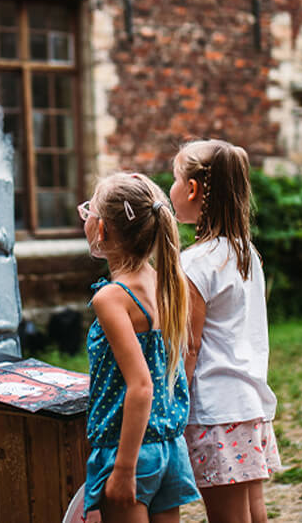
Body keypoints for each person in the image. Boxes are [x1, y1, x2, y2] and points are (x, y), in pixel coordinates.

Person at [169, 140, 281, 523]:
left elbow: (190, 344)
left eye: (174, 178)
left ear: (193, 189)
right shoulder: (246, 252)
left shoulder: (195, 263)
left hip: (215, 410)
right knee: (253, 510)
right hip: (248, 403)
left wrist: (172, 399)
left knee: (227, 516)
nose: (171, 188)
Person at [81, 172, 201, 523]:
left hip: (128, 448)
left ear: (102, 230)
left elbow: (141, 385)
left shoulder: (111, 298)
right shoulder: (167, 281)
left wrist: (124, 468)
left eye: (89, 212)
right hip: (168, 445)